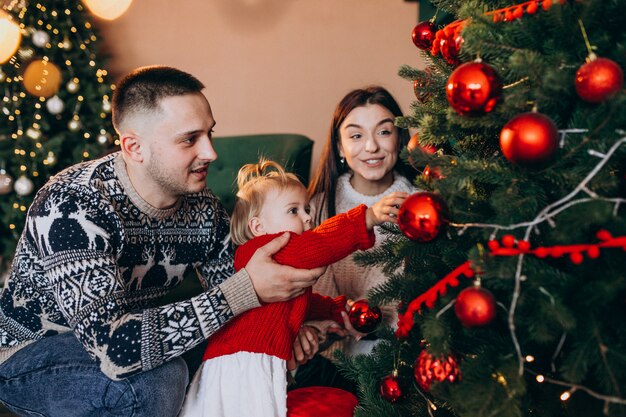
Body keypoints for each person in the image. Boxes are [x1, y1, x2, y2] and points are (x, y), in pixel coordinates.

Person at [0, 66, 325, 417]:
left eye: (209, 134)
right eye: (190, 139)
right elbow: (115, 350)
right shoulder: (72, 206)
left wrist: (291, 329)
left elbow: (237, 297)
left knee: (223, 352)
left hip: (133, 334)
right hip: (29, 356)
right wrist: (243, 291)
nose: (211, 153)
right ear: (134, 147)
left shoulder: (203, 208)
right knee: (161, 378)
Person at [179, 159, 408, 417]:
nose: (308, 217)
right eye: (293, 211)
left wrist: (334, 309)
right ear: (258, 227)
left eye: (306, 208)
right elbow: (321, 243)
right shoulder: (270, 248)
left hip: (233, 359)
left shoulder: (275, 265)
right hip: (246, 360)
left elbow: (301, 304)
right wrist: (367, 217)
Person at [294, 86, 419, 389]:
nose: (372, 147)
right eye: (356, 135)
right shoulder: (317, 208)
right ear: (339, 147)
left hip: (407, 360)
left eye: (384, 132)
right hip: (340, 366)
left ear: (401, 139)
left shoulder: (422, 205)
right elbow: (314, 298)